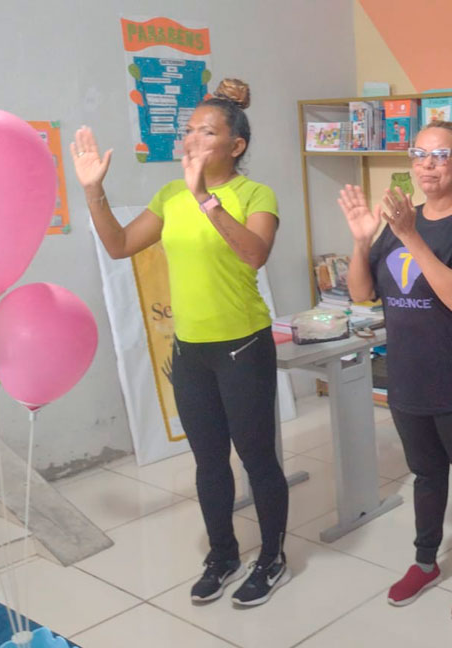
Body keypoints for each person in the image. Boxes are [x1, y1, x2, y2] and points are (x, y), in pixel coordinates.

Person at [71, 78, 291, 607]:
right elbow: (120, 245)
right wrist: (93, 190)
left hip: (242, 346)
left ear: (236, 145)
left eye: (207, 131)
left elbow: (254, 254)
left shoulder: (254, 195)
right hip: (191, 351)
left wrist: (205, 199)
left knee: (257, 459)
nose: (191, 138)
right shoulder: (169, 196)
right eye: (189, 129)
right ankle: (223, 555)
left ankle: (271, 558)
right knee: (209, 462)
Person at [338, 120, 452, 622]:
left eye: (441, 155)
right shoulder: (398, 223)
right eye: (419, 154)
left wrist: (410, 235)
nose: (427, 165)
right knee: (426, 476)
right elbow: (361, 293)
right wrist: (361, 241)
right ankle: (425, 561)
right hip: (409, 377)